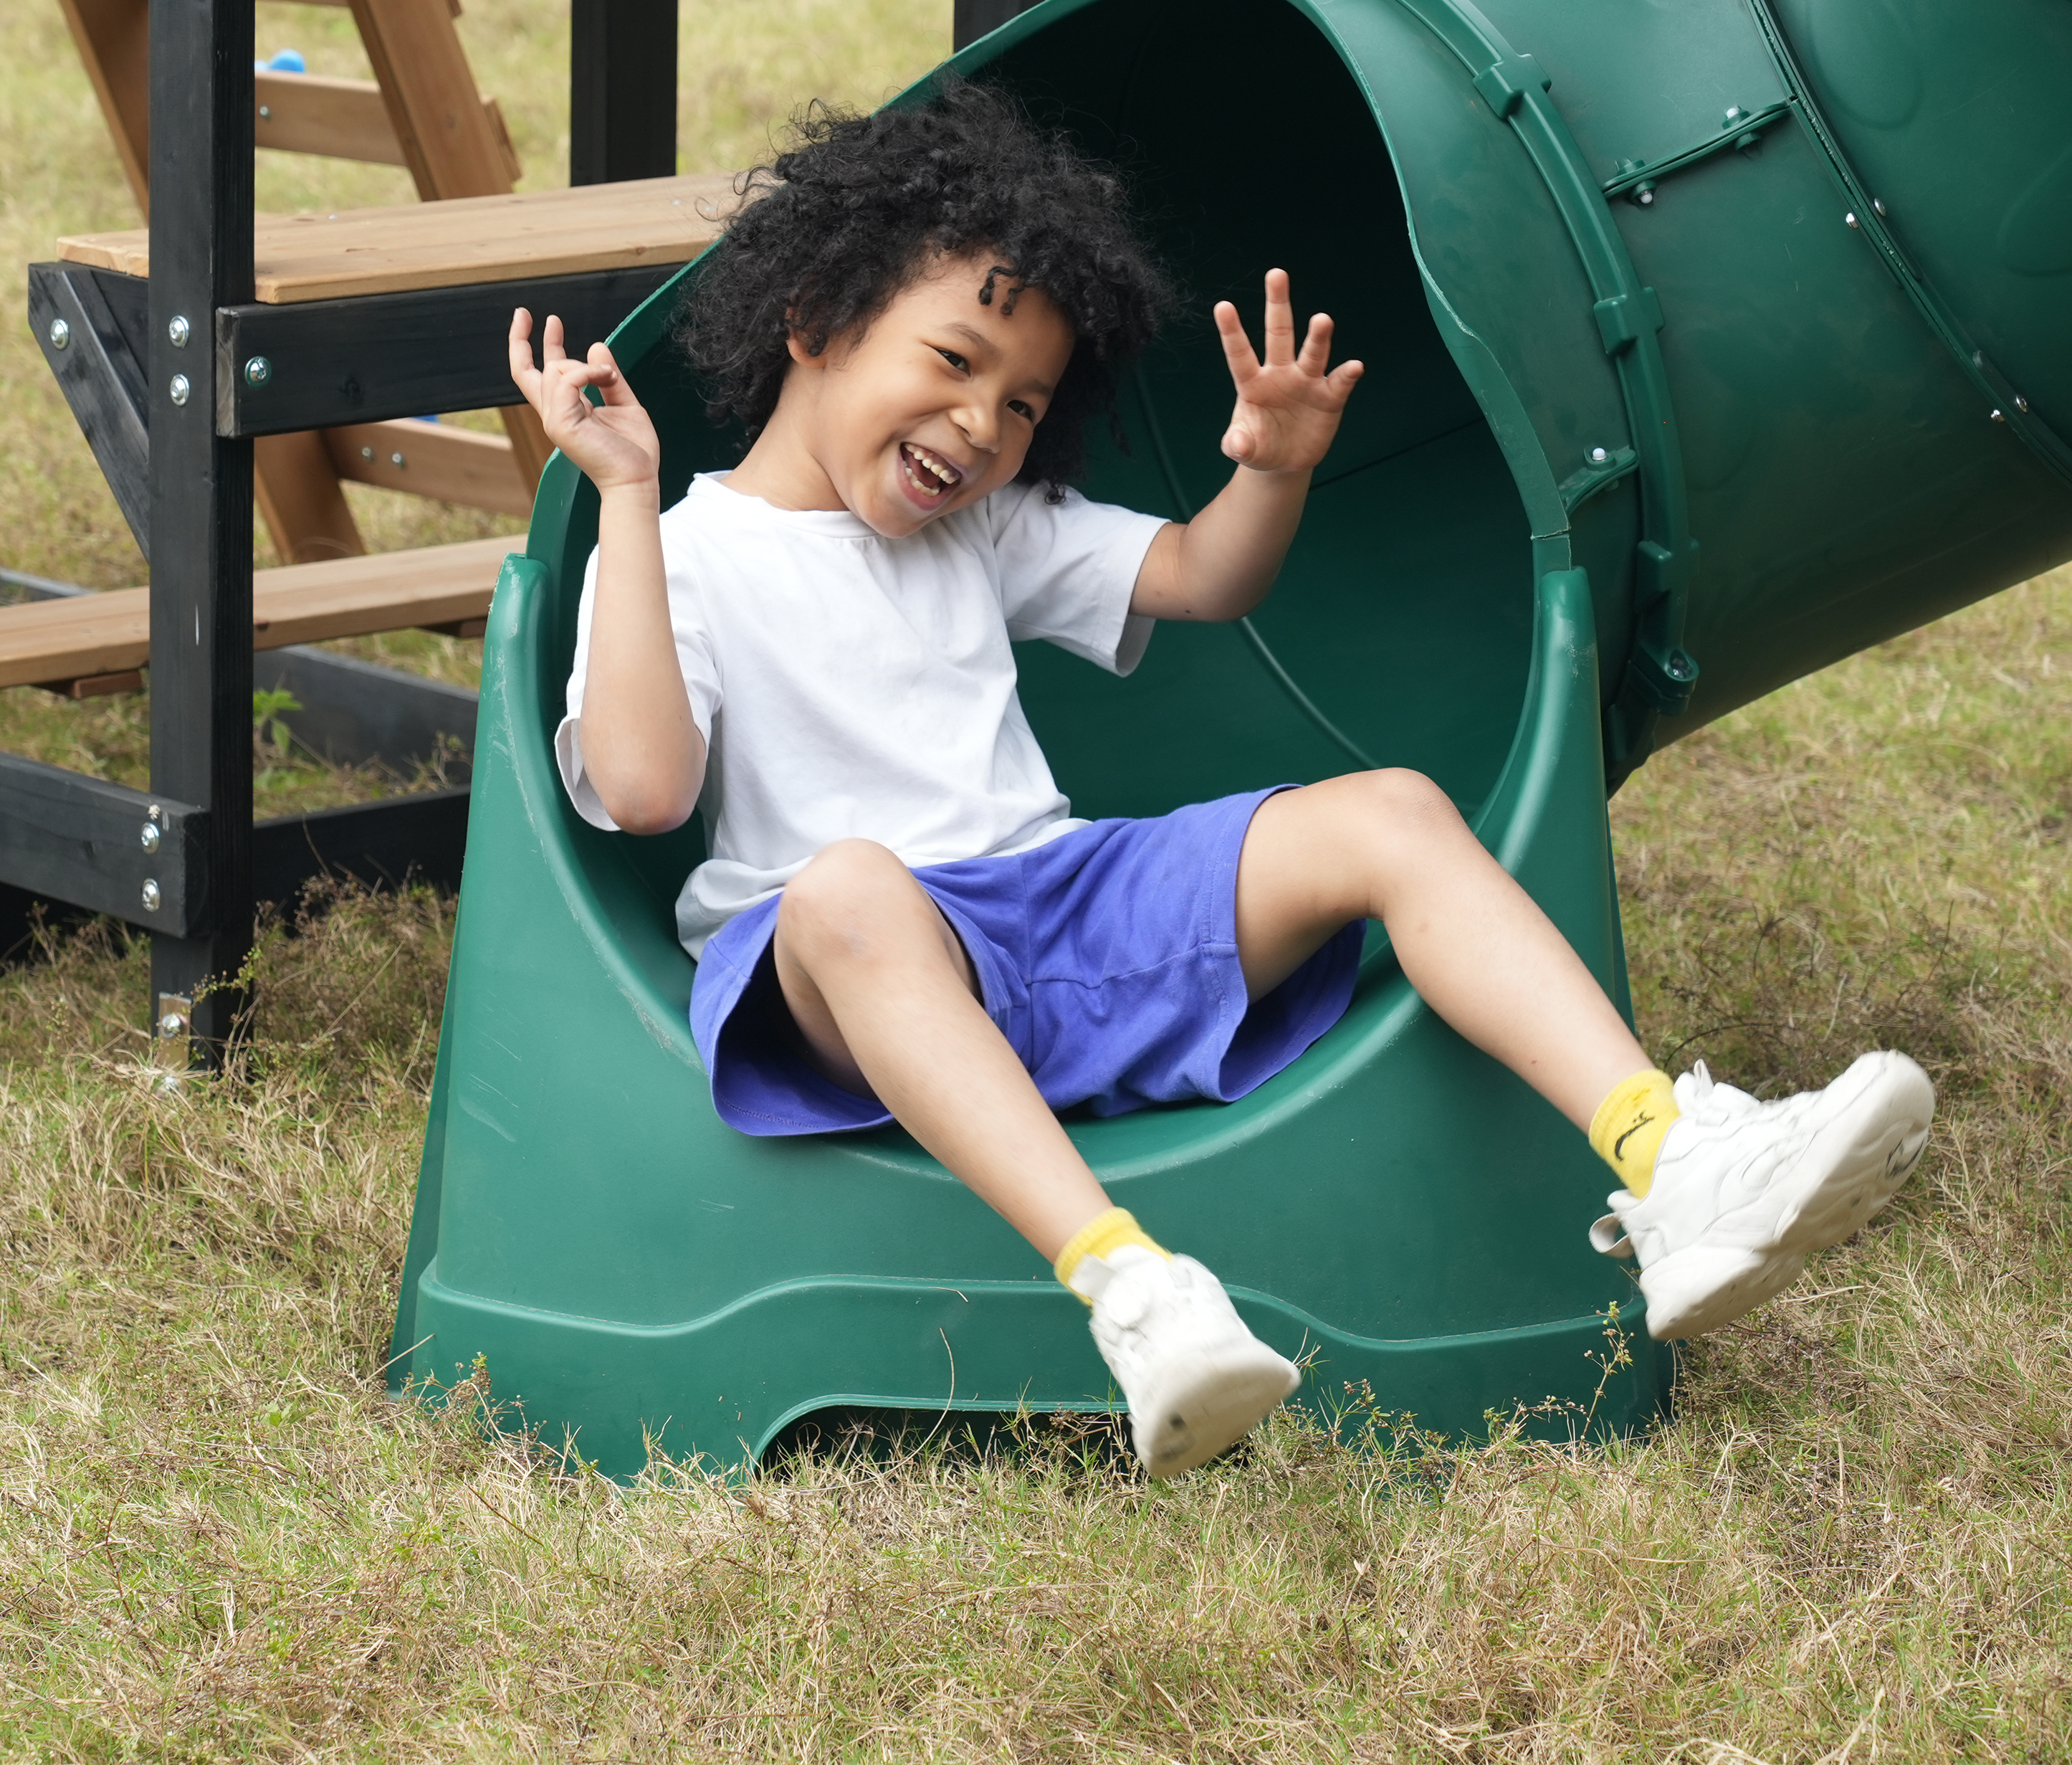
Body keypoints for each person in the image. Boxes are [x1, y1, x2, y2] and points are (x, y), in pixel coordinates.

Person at [508, 82, 1934, 1478]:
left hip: (1052, 917)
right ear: (812, 322)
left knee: (1391, 814)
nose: (981, 426)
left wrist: (1276, 471)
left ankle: (1674, 1159)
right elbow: (639, 792)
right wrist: (624, 494)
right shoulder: (688, 552)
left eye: (1020, 404)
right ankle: (1138, 1294)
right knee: (847, 888)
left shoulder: (982, 529)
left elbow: (1202, 577)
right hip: (853, 973)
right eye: (950, 363)